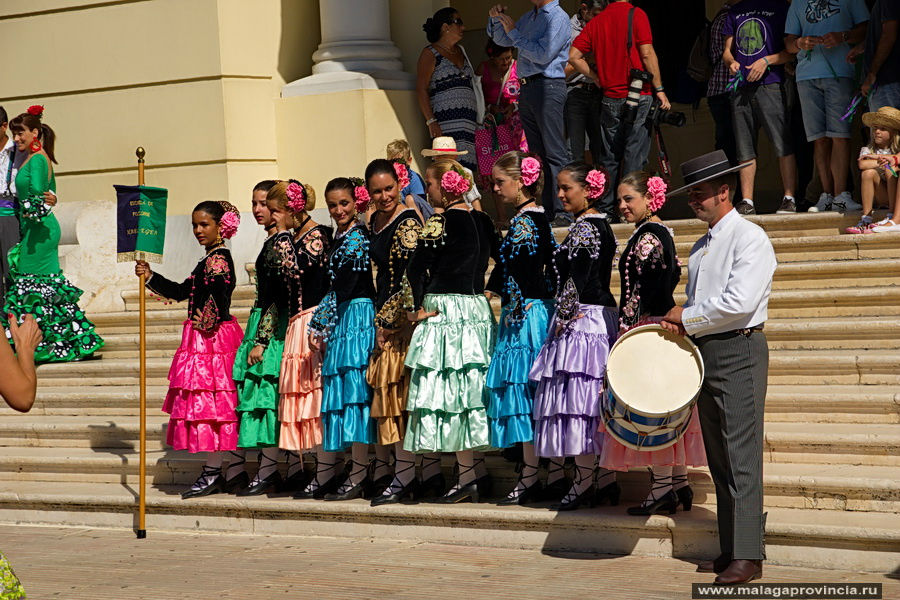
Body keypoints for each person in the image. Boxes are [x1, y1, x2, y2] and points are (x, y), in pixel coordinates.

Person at [662, 149, 777, 585]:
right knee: (721, 456)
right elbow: (703, 303)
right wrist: (687, 321)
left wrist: (686, 317)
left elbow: (739, 303)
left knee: (741, 455)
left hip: (740, 348)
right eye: (691, 195)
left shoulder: (749, 237)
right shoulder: (704, 244)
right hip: (709, 351)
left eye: (702, 194)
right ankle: (733, 548)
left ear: (725, 191)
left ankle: (748, 553)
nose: (695, 201)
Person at [596, 171, 706, 515]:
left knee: (652, 411)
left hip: (650, 326)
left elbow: (654, 289)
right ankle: (677, 483)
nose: (623, 206)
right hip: (654, 323)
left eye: (629, 198)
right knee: (664, 408)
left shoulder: (650, 235)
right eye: (619, 200)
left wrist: (635, 328)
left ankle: (662, 489)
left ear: (649, 198)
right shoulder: (655, 232)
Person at [136, 201, 245, 499]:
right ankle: (234, 468)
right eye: (195, 225)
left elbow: (221, 293)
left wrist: (209, 317)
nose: (198, 230)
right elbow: (184, 291)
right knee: (217, 405)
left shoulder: (218, 260)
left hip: (211, 341)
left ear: (220, 226)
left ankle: (213, 471)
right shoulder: (209, 258)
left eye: (204, 225)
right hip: (207, 337)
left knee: (211, 407)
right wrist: (151, 276)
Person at [404, 159, 498, 503]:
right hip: (476, 309)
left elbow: (414, 269)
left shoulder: (438, 223)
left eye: (429, 184)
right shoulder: (483, 220)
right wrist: (489, 290)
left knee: (450, 393)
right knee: (471, 391)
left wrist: (413, 310)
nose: (427, 190)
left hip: (445, 311)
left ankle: (468, 476)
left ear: (444, 187)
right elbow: (501, 259)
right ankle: (479, 471)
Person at [529, 162, 619, 511]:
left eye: (568, 188)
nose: (561, 194)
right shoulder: (597, 225)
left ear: (588, 190)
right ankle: (605, 479)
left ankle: (583, 482)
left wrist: (563, 318)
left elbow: (577, 278)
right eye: (560, 188)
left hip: (584, 321)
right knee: (589, 403)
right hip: (598, 318)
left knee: (579, 402)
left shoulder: (585, 229)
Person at [484, 152, 559, 505]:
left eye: (501, 182)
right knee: (534, 394)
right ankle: (552, 471)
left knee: (523, 393)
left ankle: (531, 474)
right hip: (535, 312)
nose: (496, 189)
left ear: (521, 182)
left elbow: (523, 270)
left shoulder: (524, 223)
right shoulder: (535, 219)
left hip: (525, 319)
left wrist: (509, 296)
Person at [2, 107, 103, 363]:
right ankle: (58, 343)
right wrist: (49, 199)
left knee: (30, 285)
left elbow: (37, 192)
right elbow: (50, 190)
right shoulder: (33, 157)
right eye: (15, 134)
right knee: (41, 287)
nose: (18, 138)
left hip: (40, 230)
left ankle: (38, 345)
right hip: (38, 228)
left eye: (21, 133)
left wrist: (36, 206)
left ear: (35, 132)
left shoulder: (35, 159)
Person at [364, 159, 430, 506]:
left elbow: (410, 274)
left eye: (389, 188)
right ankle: (417, 474)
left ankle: (406, 476)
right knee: (392, 400)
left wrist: (389, 322)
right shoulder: (374, 220)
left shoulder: (406, 221)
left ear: (399, 184)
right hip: (383, 314)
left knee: (399, 400)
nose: (385, 195)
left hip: (402, 321)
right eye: (377, 191)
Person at [307, 178, 377, 501]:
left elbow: (346, 285)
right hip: (343, 318)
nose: (338, 210)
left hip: (358, 315)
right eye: (333, 205)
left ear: (356, 202)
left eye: (344, 204)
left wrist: (320, 321)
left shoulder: (358, 236)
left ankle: (361, 471)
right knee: (347, 395)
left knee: (356, 395)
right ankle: (359, 467)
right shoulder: (339, 236)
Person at [568, 0, 670, 217]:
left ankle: (606, 210)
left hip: (610, 97)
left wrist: (596, 78)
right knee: (635, 153)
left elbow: (573, 57)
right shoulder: (636, 14)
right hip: (639, 93)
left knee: (609, 157)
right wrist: (659, 88)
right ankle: (632, 210)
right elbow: (647, 53)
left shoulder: (597, 21)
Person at [488, 1, 573, 227]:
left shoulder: (557, 17)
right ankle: (546, 209)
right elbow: (502, 40)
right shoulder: (530, 17)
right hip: (527, 87)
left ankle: (564, 210)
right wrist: (496, 20)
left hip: (548, 85)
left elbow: (544, 55)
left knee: (555, 152)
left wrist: (514, 33)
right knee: (537, 155)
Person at [275, 181, 334, 495]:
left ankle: (326, 471)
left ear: (291, 209)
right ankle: (311, 468)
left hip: (315, 319)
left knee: (316, 398)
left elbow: (297, 270)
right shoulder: (298, 236)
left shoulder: (317, 236)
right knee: (303, 399)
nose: (272, 217)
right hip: (297, 322)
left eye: (276, 211)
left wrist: (283, 236)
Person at [785, 0, 869, 213]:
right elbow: (788, 42)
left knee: (840, 136)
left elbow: (867, 30)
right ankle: (827, 195)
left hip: (840, 73)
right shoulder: (798, 3)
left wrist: (843, 37)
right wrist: (800, 44)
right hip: (806, 76)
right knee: (818, 139)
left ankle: (841, 196)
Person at [230, 180, 286, 495]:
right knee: (257, 396)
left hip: (272, 327)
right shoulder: (271, 240)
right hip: (259, 321)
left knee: (268, 396)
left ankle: (269, 469)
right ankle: (266, 467)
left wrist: (263, 338)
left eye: (264, 203)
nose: (257, 210)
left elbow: (277, 296)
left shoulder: (281, 242)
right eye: (254, 203)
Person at [721, 0, 798, 215]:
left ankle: (789, 197)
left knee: (782, 142)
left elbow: (791, 52)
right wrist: (731, 62)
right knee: (744, 147)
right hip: (740, 85)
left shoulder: (781, 7)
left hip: (770, 83)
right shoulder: (735, 11)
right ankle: (747, 201)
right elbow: (727, 51)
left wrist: (766, 60)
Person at [417, 7, 479, 173]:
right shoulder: (430, 53)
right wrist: (431, 121)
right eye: (458, 22)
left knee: (468, 173)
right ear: (445, 27)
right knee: (449, 169)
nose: (463, 27)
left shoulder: (462, 51)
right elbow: (421, 89)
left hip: (469, 125)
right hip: (446, 125)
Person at [845, 107, 900, 233]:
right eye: (875, 128)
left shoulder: (897, 151)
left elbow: (894, 161)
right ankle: (866, 218)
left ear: (893, 133)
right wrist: (884, 161)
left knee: (889, 168)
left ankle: (892, 215)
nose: (877, 132)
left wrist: (885, 161)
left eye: (883, 129)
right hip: (881, 195)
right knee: (868, 173)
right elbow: (862, 165)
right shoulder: (868, 149)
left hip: (896, 196)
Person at [564, 0, 606, 165]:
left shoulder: (602, 26)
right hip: (575, 92)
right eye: (595, 14)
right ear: (584, 9)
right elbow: (561, 72)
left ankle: (601, 186)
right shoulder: (567, 30)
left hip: (598, 93)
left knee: (601, 148)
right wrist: (584, 59)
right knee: (575, 149)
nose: (598, 19)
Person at [851, 0, 900, 112]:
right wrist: (864, 46)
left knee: (884, 127)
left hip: (887, 82)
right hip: (888, 82)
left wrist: (871, 75)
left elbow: (889, 35)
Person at [422, 137, 483, 211]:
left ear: (455, 157)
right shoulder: (433, 174)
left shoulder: (463, 172)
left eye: (447, 157)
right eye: (439, 157)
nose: (443, 160)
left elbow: (473, 198)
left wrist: (480, 216)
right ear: (434, 158)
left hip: (464, 212)